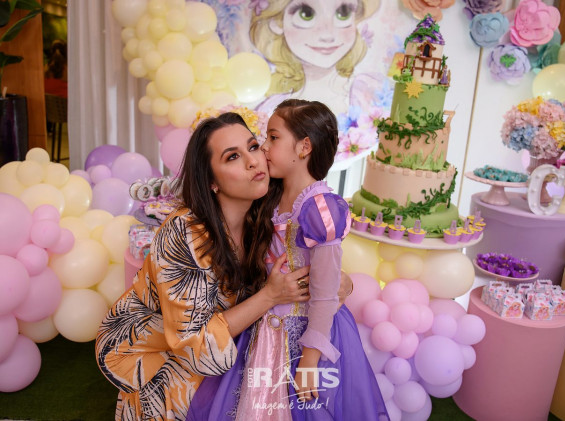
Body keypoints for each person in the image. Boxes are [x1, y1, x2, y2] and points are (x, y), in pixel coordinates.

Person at [95, 112, 316, 420]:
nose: (253, 162)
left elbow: (306, 258)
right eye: (233, 157)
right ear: (212, 181)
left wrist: (332, 278)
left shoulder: (268, 214)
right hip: (159, 350)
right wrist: (269, 296)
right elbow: (193, 344)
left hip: (224, 338)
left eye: (253, 147)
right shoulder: (184, 234)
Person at [187, 100, 388, 420]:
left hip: (308, 331)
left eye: (273, 138)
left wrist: (310, 358)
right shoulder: (271, 196)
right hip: (266, 326)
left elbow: (324, 291)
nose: (264, 148)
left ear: (304, 147)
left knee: (305, 405)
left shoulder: (321, 208)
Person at [250, 0, 381, 115]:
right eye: (306, 14)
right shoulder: (270, 109)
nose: (327, 35)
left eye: (343, 13)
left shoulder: (369, 91)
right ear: (277, 23)